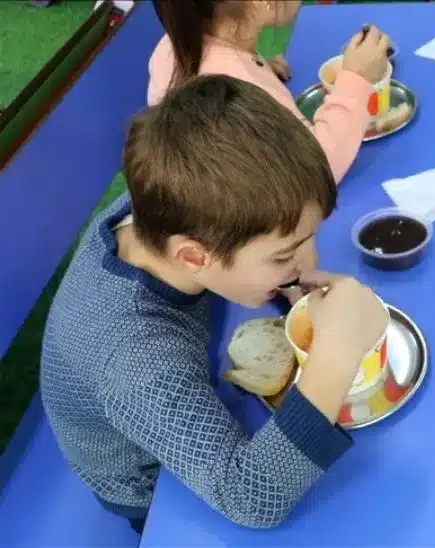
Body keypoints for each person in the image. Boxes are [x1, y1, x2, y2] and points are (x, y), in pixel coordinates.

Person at [40, 75, 388, 533]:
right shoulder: (136, 361)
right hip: (150, 486)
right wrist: (337, 357)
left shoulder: (163, 208)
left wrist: (281, 278)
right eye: (285, 254)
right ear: (193, 256)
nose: (312, 261)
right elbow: (251, 499)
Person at [149, 0, 390, 184]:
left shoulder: (174, 45)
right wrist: (357, 79)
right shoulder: (238, 91)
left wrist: (260, 68)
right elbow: (318, 169)